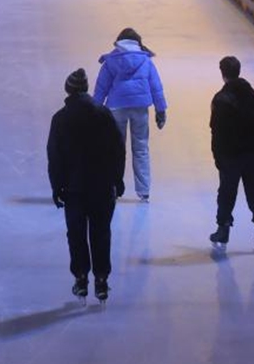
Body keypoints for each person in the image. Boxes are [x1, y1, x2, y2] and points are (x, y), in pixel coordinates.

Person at [47, 68, 125, 304]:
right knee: (101, 234)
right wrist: (117, 179)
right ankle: (101, 280)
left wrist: (56, 187)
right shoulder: (103, 114)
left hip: (74, 189)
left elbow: (55, 156)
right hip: (101, 187)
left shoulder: (60, 118)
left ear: (68, 90)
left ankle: (81, 278)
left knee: (77, 235)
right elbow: (118, 150)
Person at [92, 28, 168, 203]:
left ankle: (114, 187)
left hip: (116, 108)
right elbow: (156, 86)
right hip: (140, 108)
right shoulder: (145, 60)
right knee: (141, 148)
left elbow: (101, 88)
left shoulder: (111, 61)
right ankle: (144, 190)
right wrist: (160, 109)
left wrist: (94, 110)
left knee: (116, 149)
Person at [208, 57, 254, 250]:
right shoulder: (251, 93)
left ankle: (223, 228)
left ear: (222, 73)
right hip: (253, 151)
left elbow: (217, 130)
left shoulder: (221, 99)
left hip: (231, 154)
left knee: (227, 192)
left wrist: (217, 156)